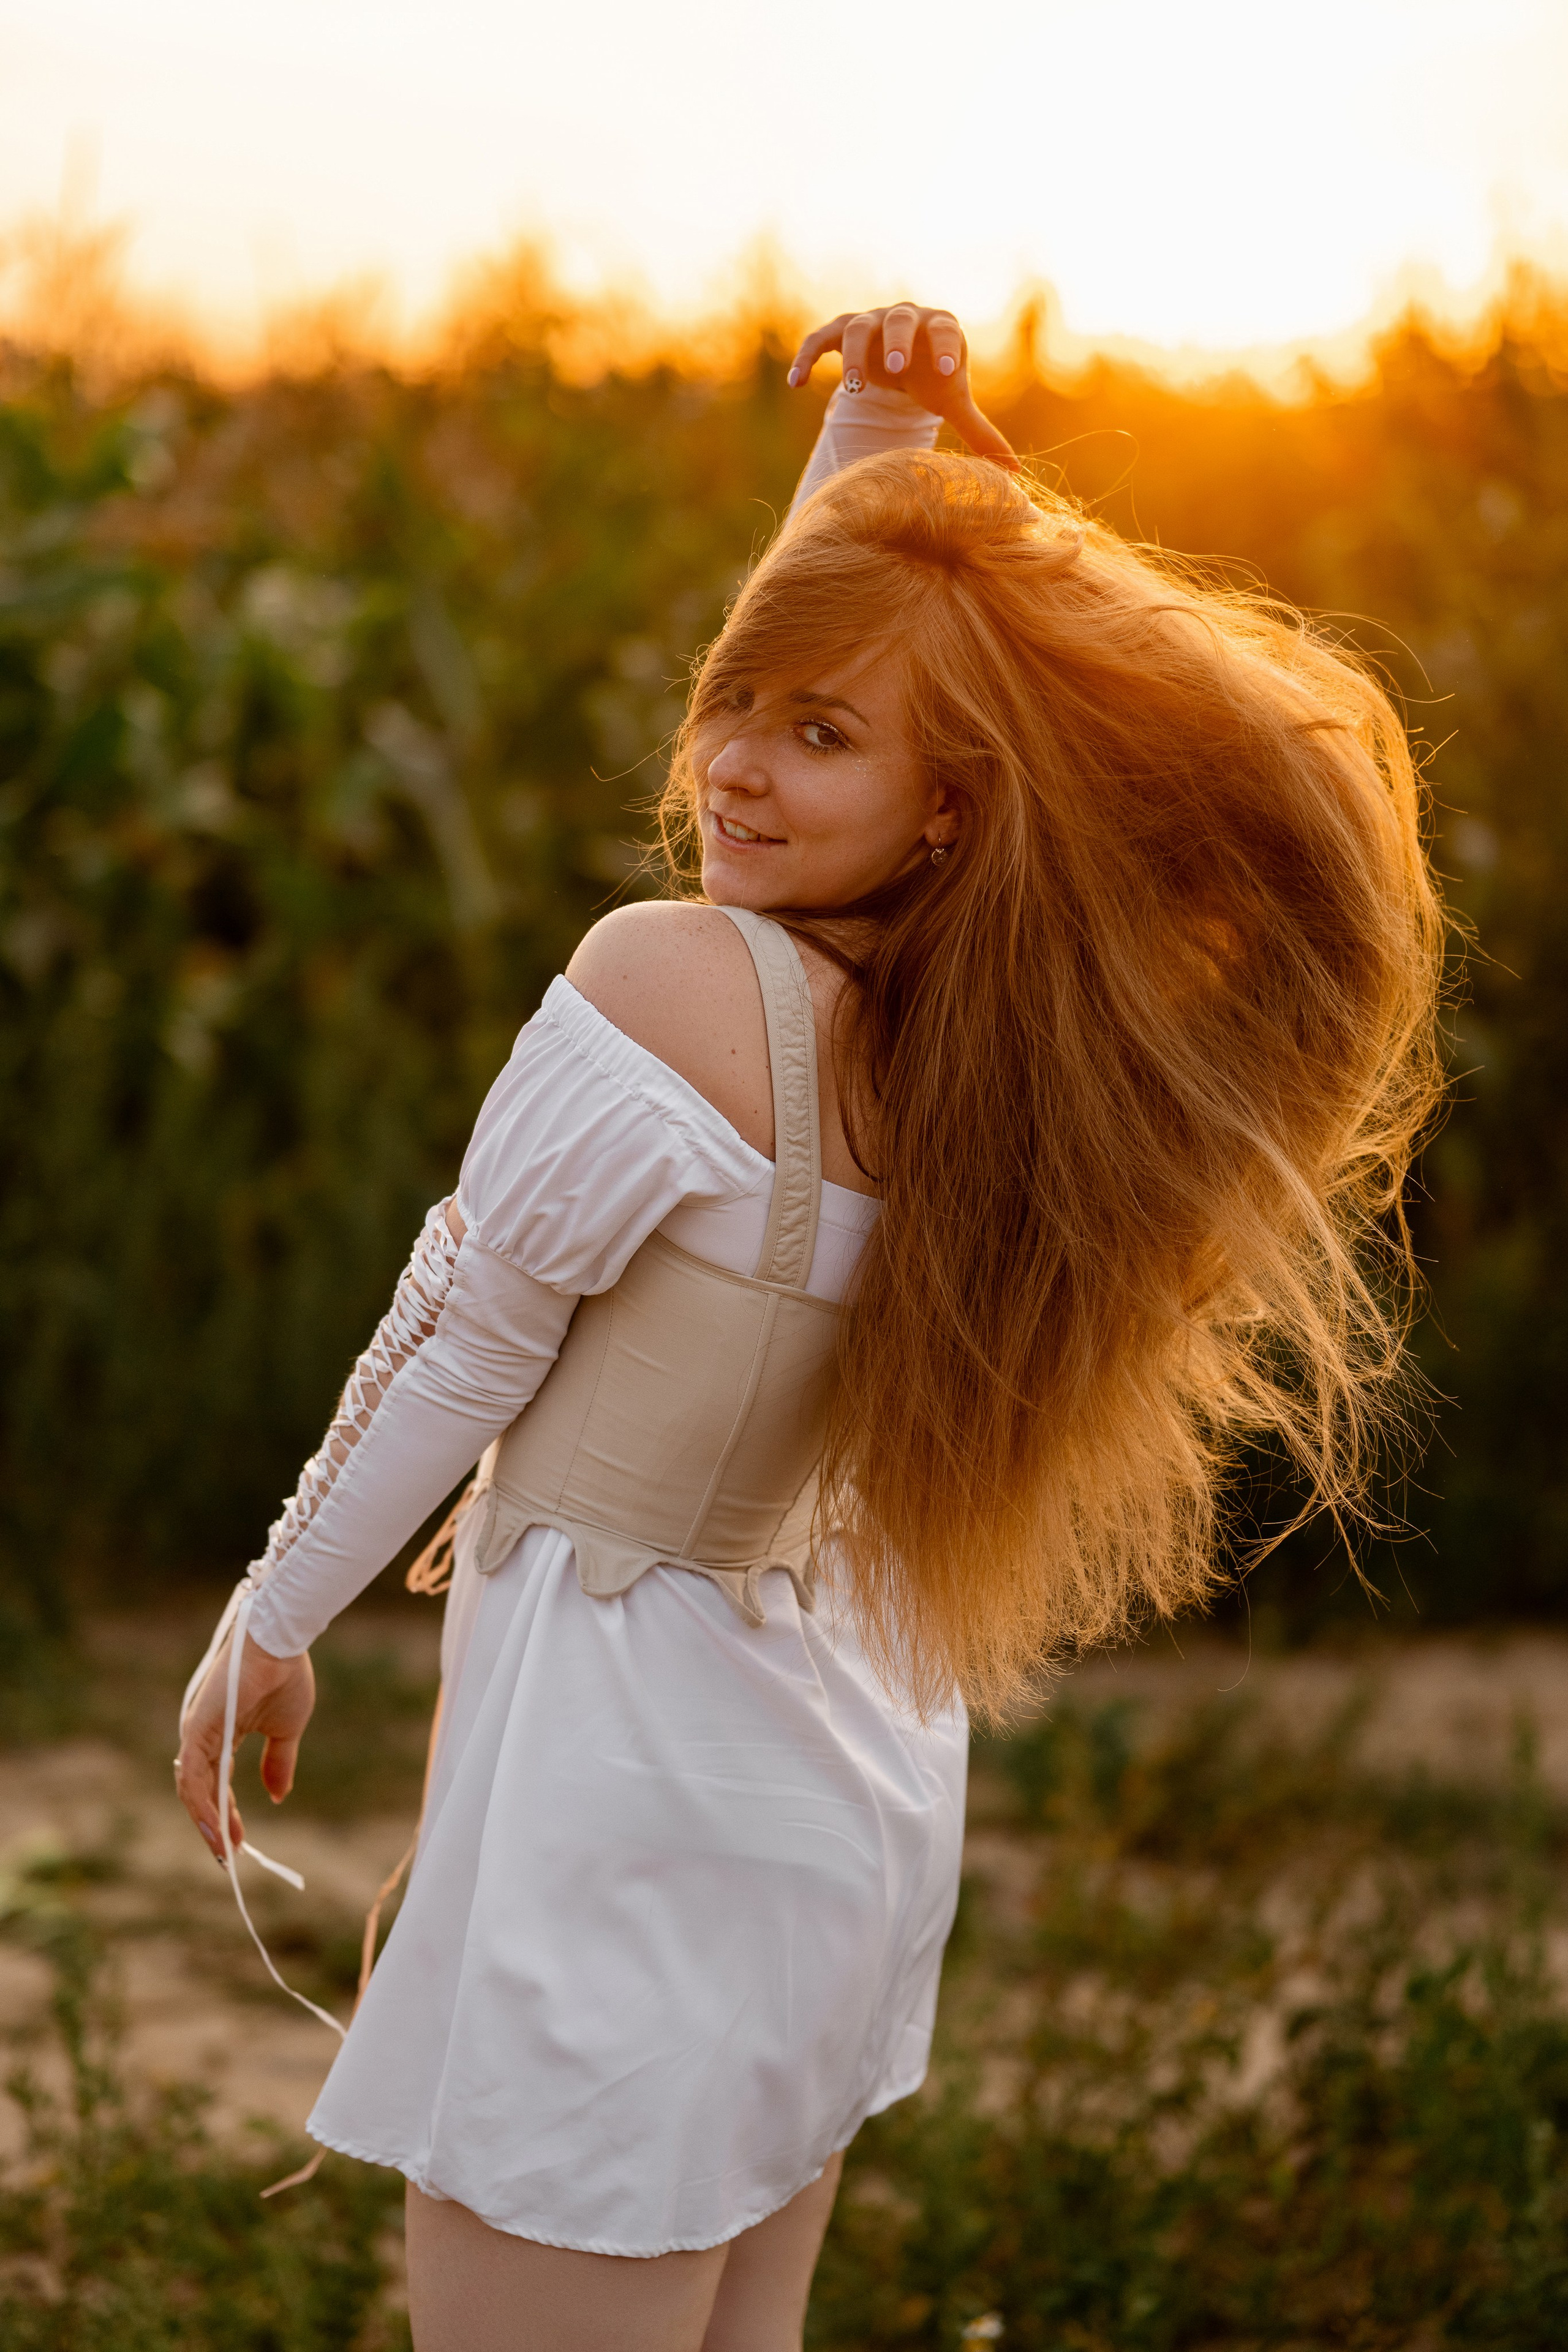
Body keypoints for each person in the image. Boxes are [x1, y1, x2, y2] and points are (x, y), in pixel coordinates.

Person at [175, 302, 1445, 2351]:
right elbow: (868, 718)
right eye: (730, 702)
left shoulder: (675, 984)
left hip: (632, 1802)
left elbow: (458, 1337)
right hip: (825, 1794)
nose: (737, 765)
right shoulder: (985, 1055)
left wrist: (271, 1617)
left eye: (818, 736)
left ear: (949, 802)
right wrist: (910, 461)